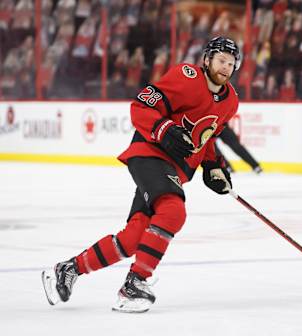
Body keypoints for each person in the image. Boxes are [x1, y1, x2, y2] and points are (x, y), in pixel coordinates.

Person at [41, 36, 242, 313]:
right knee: (173, 212)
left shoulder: (230, 101)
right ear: (207, 59)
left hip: (173, 169)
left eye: (231, 63)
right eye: (221, 60)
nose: (226, 67)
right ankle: (135, 284)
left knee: (135, 236)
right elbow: (141, 105)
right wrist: (164, 129)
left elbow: (208, 137)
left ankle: (68, 269)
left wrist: (213, 166)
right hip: (150, 153)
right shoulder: (187, 76)